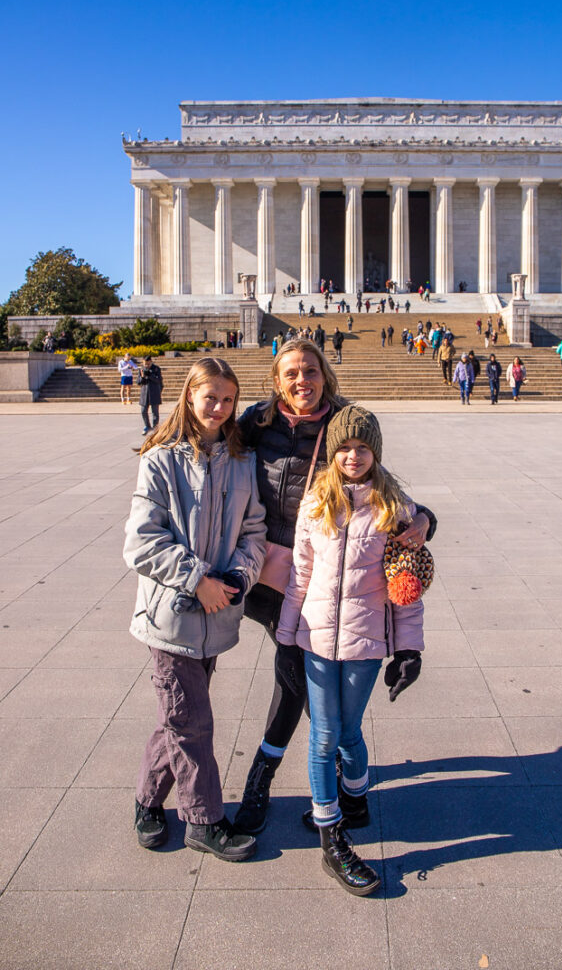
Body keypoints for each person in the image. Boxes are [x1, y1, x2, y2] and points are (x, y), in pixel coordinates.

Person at [231, 341, 436, 836]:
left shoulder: (345, 423)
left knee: (298, 687)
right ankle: (287, 776)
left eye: (311, 371)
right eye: (291, 373)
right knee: (295, 679)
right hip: (270, 575)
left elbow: (385, 492)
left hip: (328, 578)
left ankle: (277, 775)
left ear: (326, 375)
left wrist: (426, 518)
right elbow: (208, 449)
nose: (302, 381)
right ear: (277, 381)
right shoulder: (255, 422)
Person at [277, 406, 425, 896]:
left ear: (375, 453)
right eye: (344, 447)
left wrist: (408, 650)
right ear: (333, 453)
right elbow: (299, 577)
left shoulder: (394, 507)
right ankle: (331, 836)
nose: (353, 456)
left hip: (365, 642)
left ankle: (355, 799)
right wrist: (284, 638)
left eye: (362, 448)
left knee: (349, 734)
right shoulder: (316, 502)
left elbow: (406, 588)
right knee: (323, 737)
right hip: (317, 639)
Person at [124, 357, 267, 861]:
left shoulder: (241, 459)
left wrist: (236, 578)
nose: (221, 409)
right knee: (192, 723)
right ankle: (203, 821)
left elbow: (254, 532)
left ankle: (146, 802)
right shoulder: (161, 459)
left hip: (215, 616)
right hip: (172, 616)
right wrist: (197, 579)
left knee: (178, 717)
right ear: (189, 396)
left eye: (229, 400)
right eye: (211, 398)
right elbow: (141, 542)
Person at [138, 355, 164, 435]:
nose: (147, 366)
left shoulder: (156, 369)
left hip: (154, 392)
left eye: (148, 364)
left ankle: (155, 428)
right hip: (145, 393)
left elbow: (158, 380)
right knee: (143, 411)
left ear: (151, 362)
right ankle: (147, 426)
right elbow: (138, 382)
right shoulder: (142, 369)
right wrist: (142, 377)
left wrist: (150, 375)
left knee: (155, 412)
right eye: (145, 364)